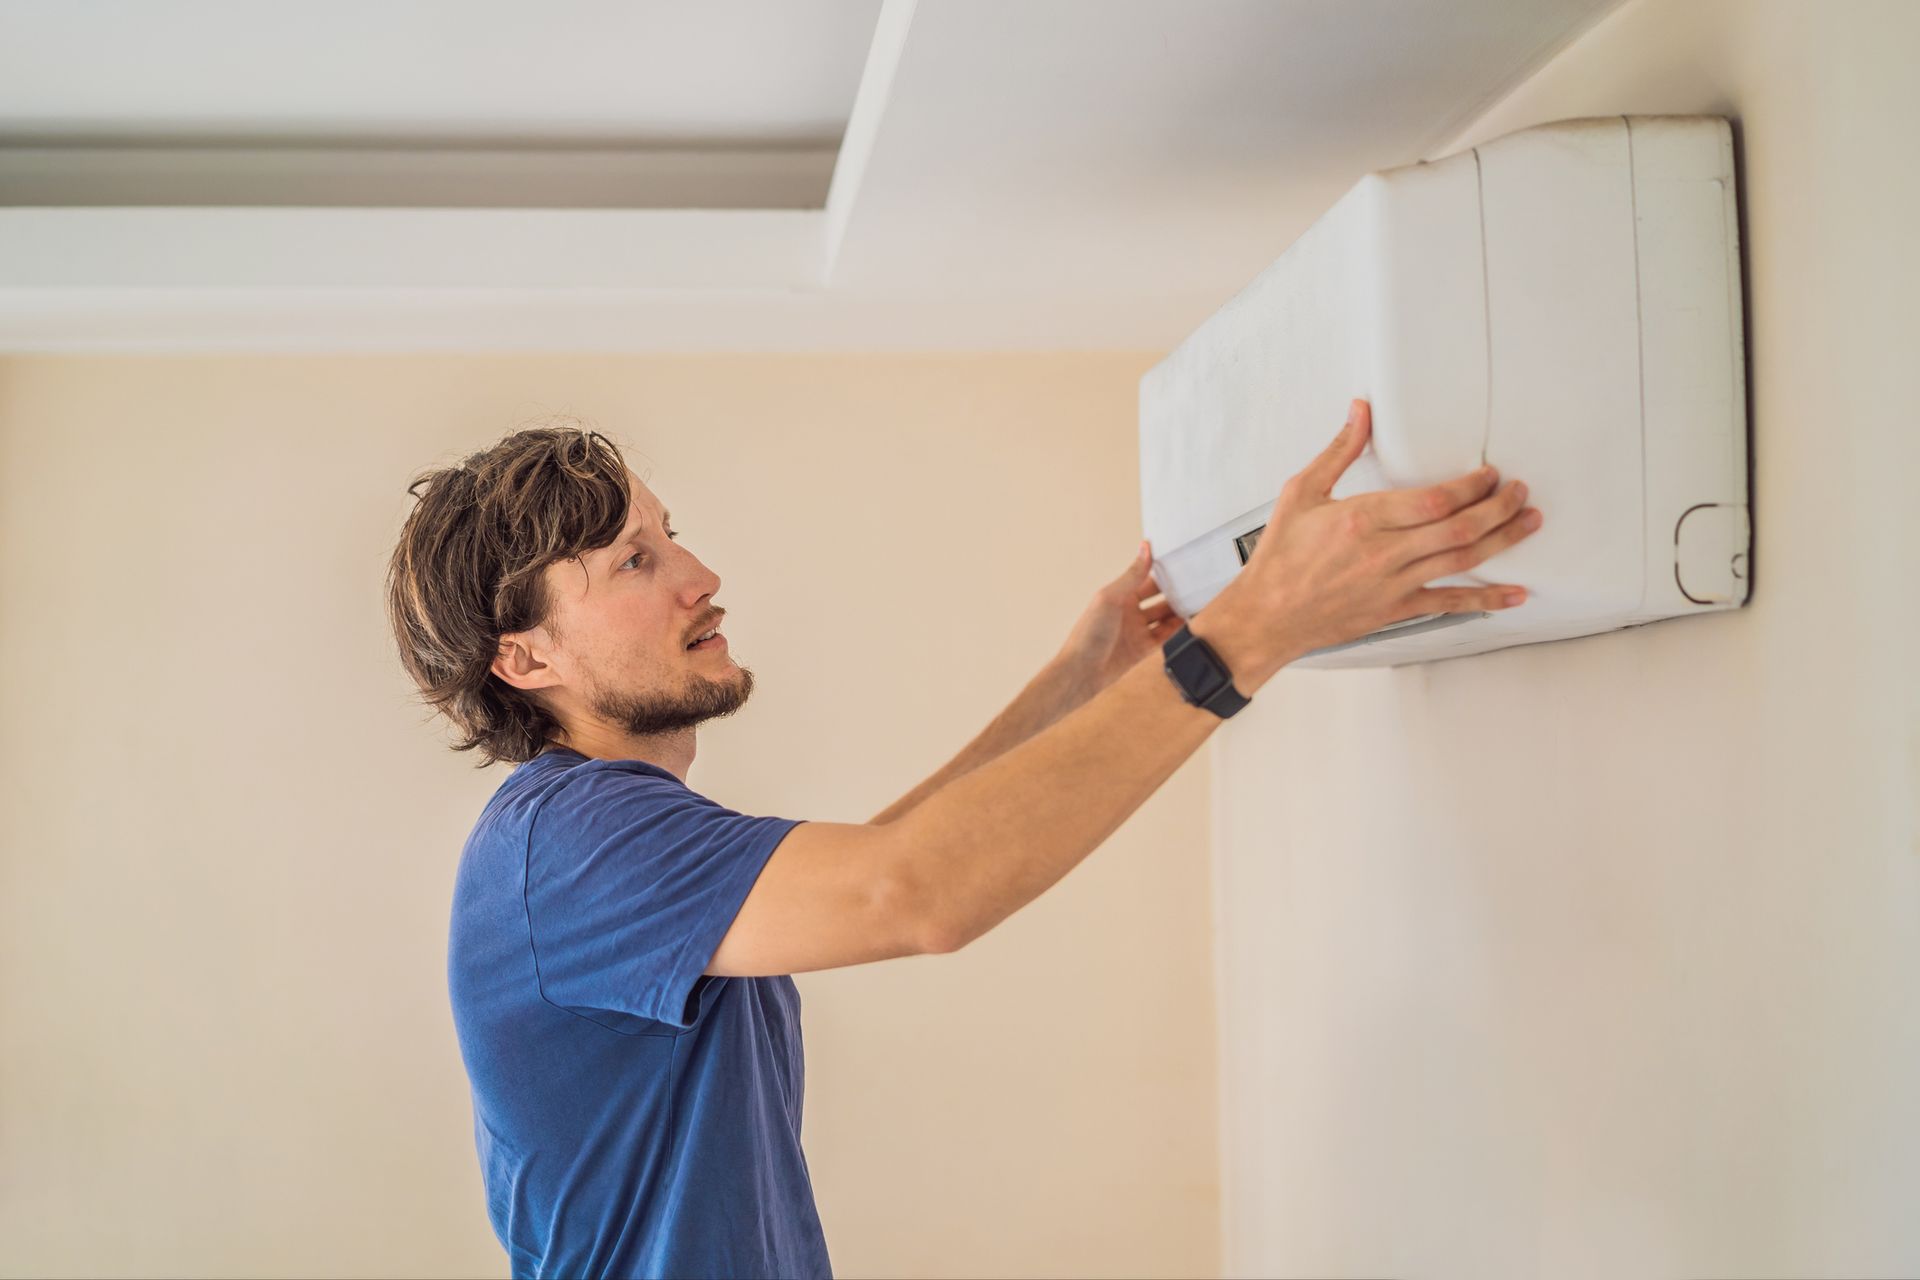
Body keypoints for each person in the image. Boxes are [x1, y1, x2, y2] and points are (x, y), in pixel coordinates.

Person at [384, 398, 1541, 1279]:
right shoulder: (574, 837)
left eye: (669, 534)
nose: (700, 574)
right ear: (525, 659)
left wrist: (1082, 678)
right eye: (636, 561)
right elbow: (918, 890)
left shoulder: (598, 838)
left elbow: (889, 854)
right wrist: (1256, 625)